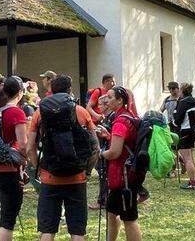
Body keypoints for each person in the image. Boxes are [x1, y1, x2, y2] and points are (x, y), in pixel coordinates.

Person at [27, 75, 96, 241]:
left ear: (51, 90)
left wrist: (39, 169)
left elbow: (30, 147)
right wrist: (87, 171)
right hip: (77, 177)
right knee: (77, 231)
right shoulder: (82, 112)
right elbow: (96, 149)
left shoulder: (39, 113)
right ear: (70, 90)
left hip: (49, 177)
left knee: (47, 230)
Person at [0, 77, 27, 241]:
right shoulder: (16, 112)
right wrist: (25, 161)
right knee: (8, 218)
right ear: (20, 93)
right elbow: (22, 144)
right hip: (9, 170)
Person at [101, 86, 143, 241]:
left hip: (123, 177)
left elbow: (115, 152)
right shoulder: (129, 115)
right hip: (126, 175)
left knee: (129, 219)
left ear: (120, 100)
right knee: (112, 214)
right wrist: (108, 137)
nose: (107, 100)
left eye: (110, 97)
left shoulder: (120, 121)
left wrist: (101, 153)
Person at [174, 83, 195, 190]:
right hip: (193, 131)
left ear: (182, 90)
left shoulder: (183, 102)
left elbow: (178, 120)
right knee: (192, 157)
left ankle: (192, 183)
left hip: (185, 131)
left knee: (187, 159)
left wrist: (174, 123)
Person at [89, 93, 113, 210]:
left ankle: (102, 202)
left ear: (107, 105)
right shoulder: (105, 117)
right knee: (103, 175)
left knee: (104, 176)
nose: (98, 108)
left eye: (100, 105)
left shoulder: (112, 117)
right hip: (104, 150)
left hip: (108, 151)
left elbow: (109, 133)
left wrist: (96, 130)